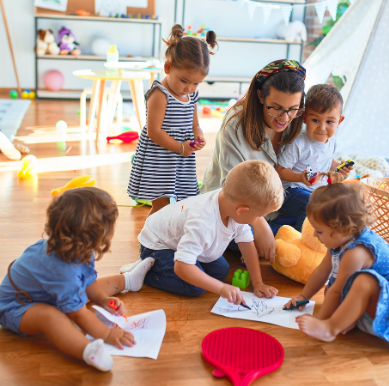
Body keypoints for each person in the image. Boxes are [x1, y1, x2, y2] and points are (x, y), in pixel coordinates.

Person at [0, 188, 157, 371]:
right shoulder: (63, 272)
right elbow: (78, 315)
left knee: (83, 289)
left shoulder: (77, 248)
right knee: (51, 317)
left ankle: (127, 280)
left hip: (48, 294)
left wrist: (103, 299)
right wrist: (107, 333)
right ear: (94, 234)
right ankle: (88, 352)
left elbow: (88, 282)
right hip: (16, 308)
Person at [284, 184, 389, 349]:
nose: (314, 235)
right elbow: (321, 272)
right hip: (371, 306)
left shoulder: (356, 252)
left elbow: (338, 291)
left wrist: (320, 321)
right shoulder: (338, 241)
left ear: (343, 229)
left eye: (319, 231)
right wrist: (302, 297)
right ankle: (350, 319)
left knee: (362, 282)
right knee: (331, 290)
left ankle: (330, 328)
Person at [131, 160, 283, 302]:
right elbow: (182, 266)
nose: (259, 220)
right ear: (242, 211)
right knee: (195, 287)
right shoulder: (203, 222)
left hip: (177, 238)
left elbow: (247, 244)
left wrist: (258, 283)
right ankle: (144, 273)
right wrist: (221, 288)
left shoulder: (232, 203)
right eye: (259, 216)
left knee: (221, 271)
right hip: (156, 245)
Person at [200, 59, 306, 261]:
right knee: (229, 234)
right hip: (237, 208)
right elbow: (230, 191)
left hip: (274, 204)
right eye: (276, 107)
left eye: (293, 108)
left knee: (318, 208)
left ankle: (272, 243)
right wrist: (259, 224)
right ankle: (279, 242)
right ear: (260, 96)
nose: (285, 118)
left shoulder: (297, 119)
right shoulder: (235, 124)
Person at [128, 24, 218, 217]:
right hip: (159, 157)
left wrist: (198, 135)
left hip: (181, 158)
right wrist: (179, 147)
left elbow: (194, 123)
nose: (189, 88)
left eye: (196, 83)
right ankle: (150, 241)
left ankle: (172, 233)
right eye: (184, 81)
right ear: (168, 68)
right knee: (160, 205)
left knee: (184, 203)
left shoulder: (192, 95)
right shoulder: (160, 94)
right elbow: (154, 132)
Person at [276, 84, 350, 231]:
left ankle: (284, 225)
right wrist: (300, 178)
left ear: (339, 121)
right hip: (292, 191)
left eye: (329, 122)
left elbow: (327, 161)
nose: (322, 128)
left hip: (316, 192)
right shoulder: (300, 143)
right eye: (315, 120)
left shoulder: (332, 141)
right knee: (314, 204)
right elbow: (280, 170)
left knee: (344, 199)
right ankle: (299, 238)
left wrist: (339, 168)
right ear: (304, 118)